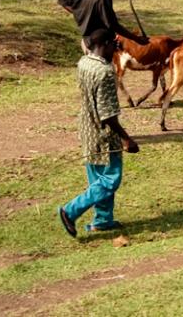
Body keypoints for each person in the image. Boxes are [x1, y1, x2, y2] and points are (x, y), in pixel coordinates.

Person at [59, 28, 139, 237]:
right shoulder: (105, 71)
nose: (116, 48)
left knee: (97, 179)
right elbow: (108, 114)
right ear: (105, 44)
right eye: (114, 44)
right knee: (111, 179)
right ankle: (70, 210)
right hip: (103, 134)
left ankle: (103, 221)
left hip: (86, 128)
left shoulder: (84, 62)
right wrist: (126, 138)